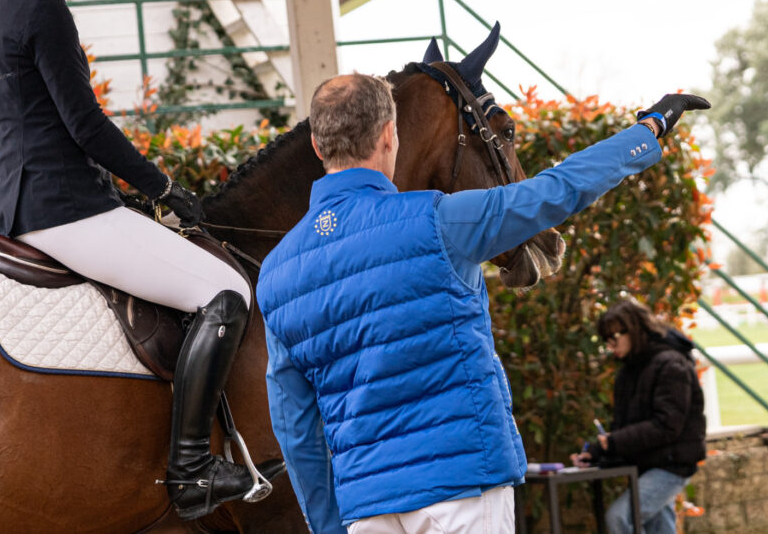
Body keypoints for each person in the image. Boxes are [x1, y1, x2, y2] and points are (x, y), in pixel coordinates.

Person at [256, 71, 709, 534]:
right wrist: (649, 129)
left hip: (366, 508)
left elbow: (295, 427)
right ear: (390, 134)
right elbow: (558, 190)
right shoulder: (439, 221)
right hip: (462, 486)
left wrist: (331, 526)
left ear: (317, 145)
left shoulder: (274, 274)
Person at [0, 0, 282, 520]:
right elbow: (85, 125)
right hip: (65, 210)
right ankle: (192, 465)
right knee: (225, 293)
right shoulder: (43, 9)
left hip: (16, 209)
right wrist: (162, 185)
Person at [570, 299, 706, 534]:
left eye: (614, 338)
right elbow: (627, 430)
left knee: (620, 518)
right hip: (649, 464)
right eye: (606, 341)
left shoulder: (671, 365)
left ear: (632, 330)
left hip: (672, 466)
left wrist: (615, 441)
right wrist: (597, 452)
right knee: (659, 528)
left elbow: (667, 425)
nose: (611, 346)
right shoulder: (629, 371)